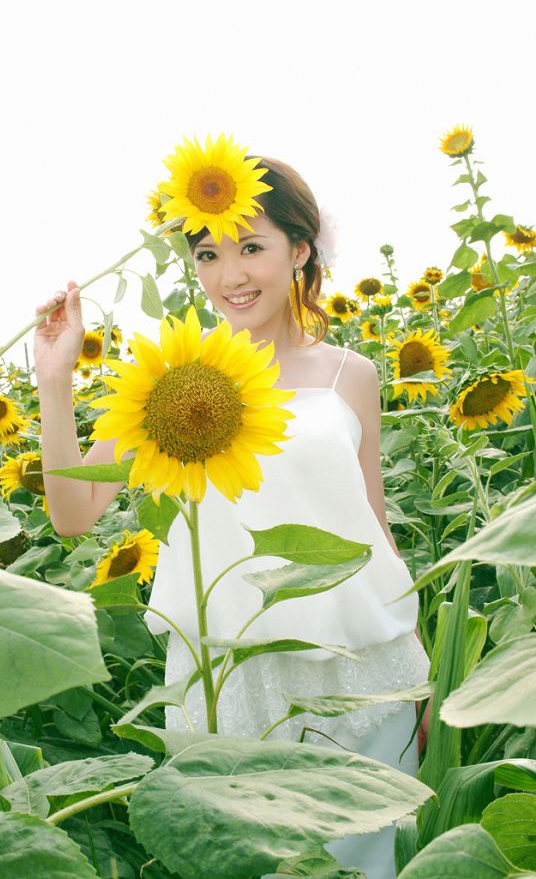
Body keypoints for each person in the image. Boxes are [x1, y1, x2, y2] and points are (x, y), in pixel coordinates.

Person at [34, 156, 431, 879]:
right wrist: (54, 380)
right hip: (228, 676)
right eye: (210, 254)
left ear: (300, 250)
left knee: (371, 862)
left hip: (367, 670)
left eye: (253, 248)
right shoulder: (171, 378)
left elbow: (374, 531)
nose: (230, 276)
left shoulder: (351, 376)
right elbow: (72, 513)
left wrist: (419, 673)